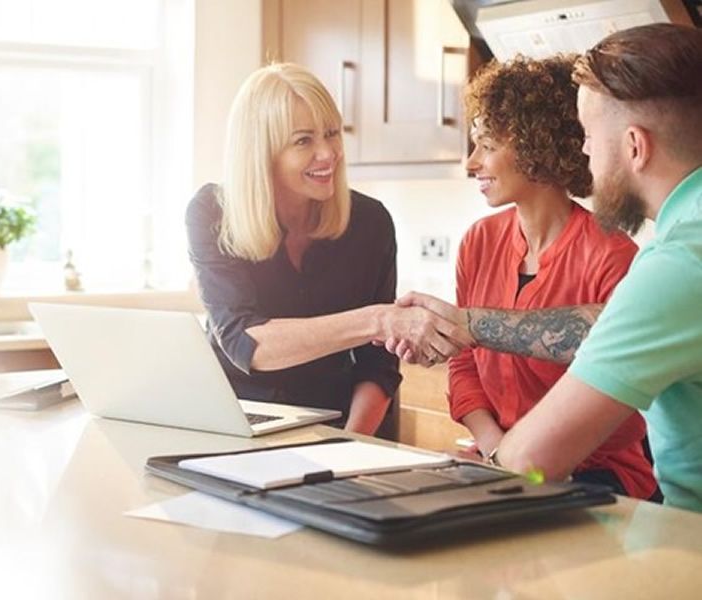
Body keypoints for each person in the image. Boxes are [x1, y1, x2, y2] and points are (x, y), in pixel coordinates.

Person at [394, 24, 702, 512]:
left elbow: (530, 460)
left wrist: (492, 462)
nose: (582, 152)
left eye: (589, 134)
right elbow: (605, 326)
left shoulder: (678, 261)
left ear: (635, 146)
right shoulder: (682, 246)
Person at [185, 63, 470, 435]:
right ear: (262, 152)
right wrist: (378, 319)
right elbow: (245, 341)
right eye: (304, 140)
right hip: (235, 425)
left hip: (338, 426)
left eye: (332, 134)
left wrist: (350, 443)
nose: (328, 153)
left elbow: (377, 364)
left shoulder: (370, 222)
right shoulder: (212, 213)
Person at [447, 55, 656, 499]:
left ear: (533, 144)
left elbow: (610, 400)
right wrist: (496, 451)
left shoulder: (612, 255)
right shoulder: (477, 243)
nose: (471, 163)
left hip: (601, 477)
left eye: (486, 145)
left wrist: (518, 464)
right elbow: (463, 363)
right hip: (501, 463)